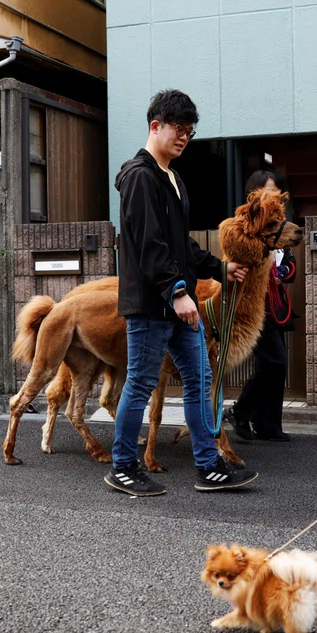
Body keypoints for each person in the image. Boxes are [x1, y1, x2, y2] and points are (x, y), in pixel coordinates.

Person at [106, 89, 259, 497]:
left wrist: (218, 267)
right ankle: (122, 467)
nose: (184, 138)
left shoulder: (172, 178)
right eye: (178, 129)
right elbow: (148, 243)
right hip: (153, 304)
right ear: (155, 125)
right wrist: (177, 291)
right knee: (139, 383)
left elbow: (181, 245)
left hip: (177, 304)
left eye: (189, 132)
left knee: (199, 378)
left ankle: (208, 466)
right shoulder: (140, 176)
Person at [225, 170, 297, 443]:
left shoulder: (279, 226)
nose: (274, 198)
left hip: (275, 307)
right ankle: (242, 412)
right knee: (274, 363)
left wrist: (279, 272)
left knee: (274, 366)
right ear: (254, 194)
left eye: (277, 193)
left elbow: (291, 268)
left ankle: (268, 425)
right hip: (253, 308)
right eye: (268, 192)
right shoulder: (246, 226)